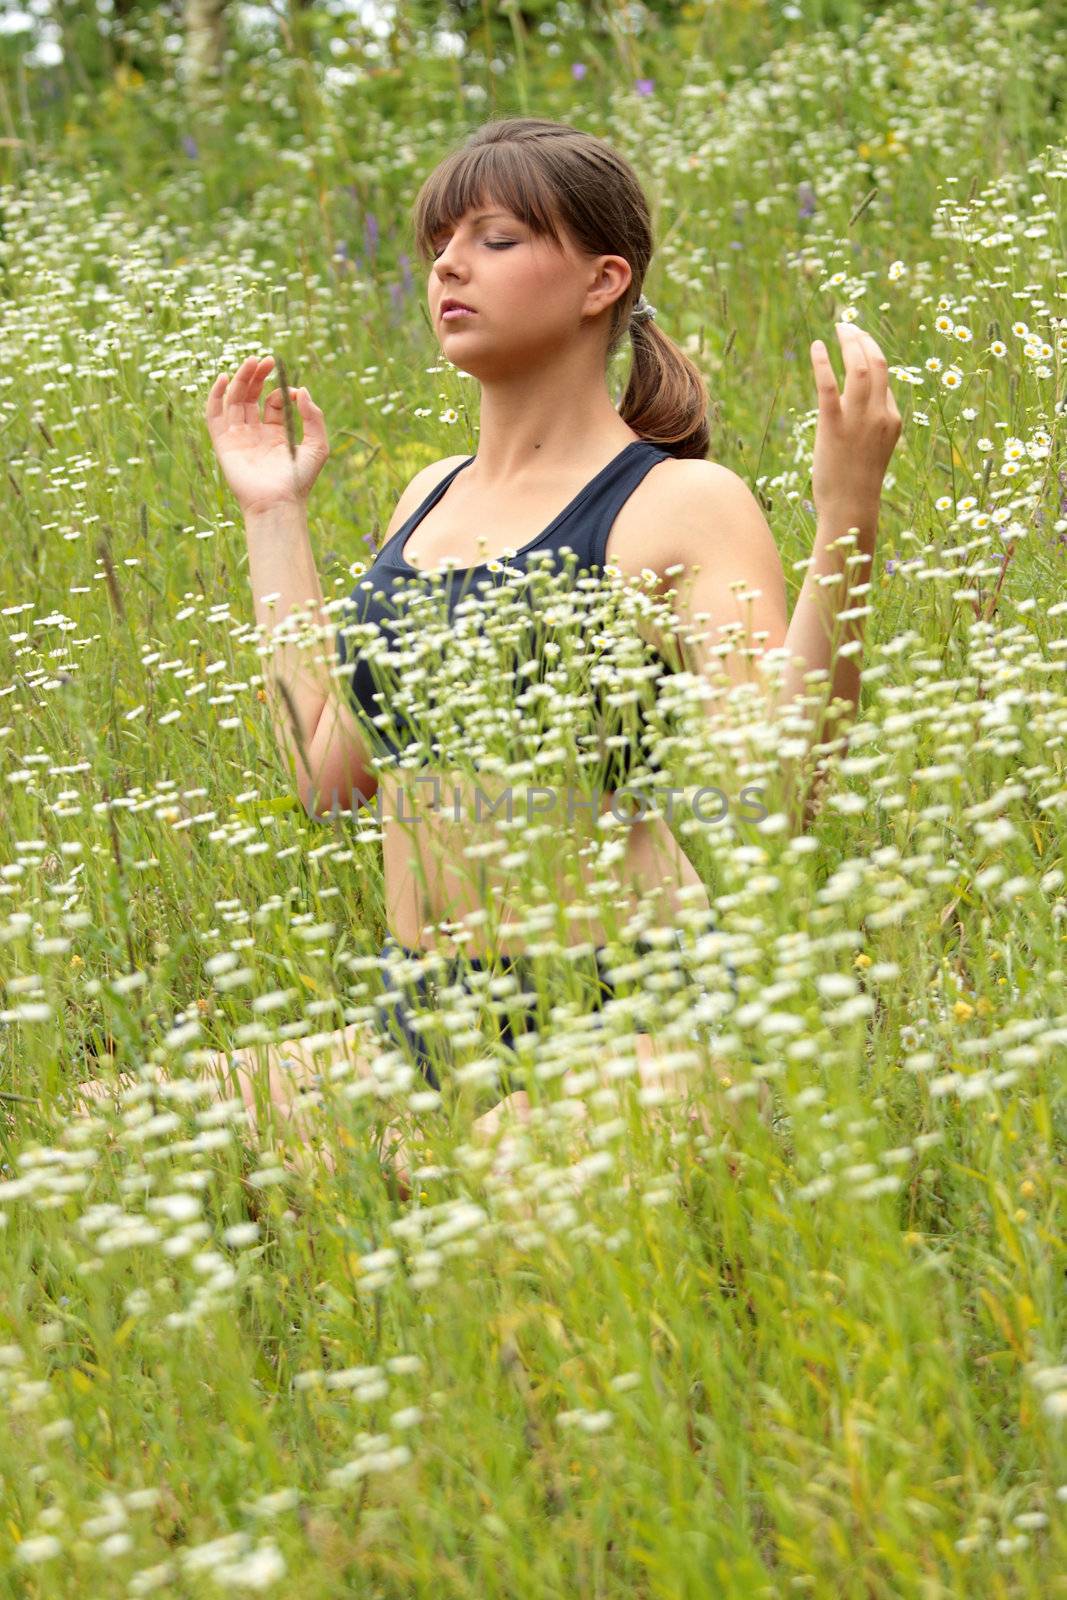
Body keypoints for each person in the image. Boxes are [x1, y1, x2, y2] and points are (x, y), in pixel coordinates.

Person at [79, 117, 902, 1193]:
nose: (449, 267)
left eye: (496, 238)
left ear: (602, 279)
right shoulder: (425, 496)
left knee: (486, 1181)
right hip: (424, 1008)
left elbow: (776, 796)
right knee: (111, 1127)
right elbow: (327, 773)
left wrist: (846, 511)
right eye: (436, 247)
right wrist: (272, 512)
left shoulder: (679, 504)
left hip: (627, 1007)